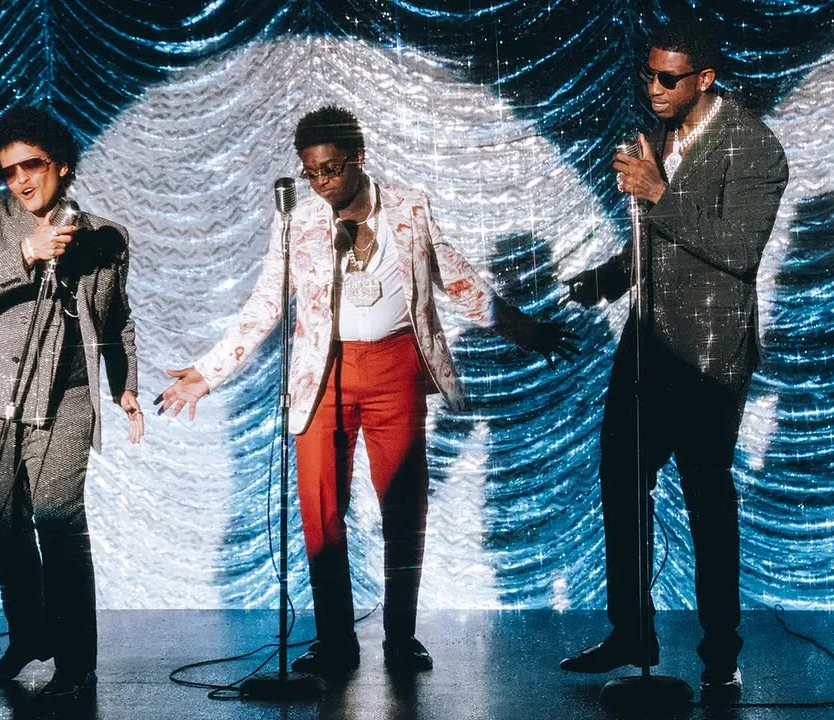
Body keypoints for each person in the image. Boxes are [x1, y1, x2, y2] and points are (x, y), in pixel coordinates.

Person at [156, 106, 575, 677]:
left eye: (330, 169)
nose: (321, 182)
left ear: (357, 158)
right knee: (320, 509)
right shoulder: (297, 222)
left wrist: (523, 328)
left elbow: (456, 277)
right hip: (322, 373)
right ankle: (335, 641)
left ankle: (401, 637)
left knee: (404, 507)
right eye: (310, 172)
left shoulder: (409, 208)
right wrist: (209, 372)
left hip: (394, 368)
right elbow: (266, 301)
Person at [559, 18, 788, 703]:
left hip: (709, 354)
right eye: (648, 75)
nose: (654, 89)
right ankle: (632, 632)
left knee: (706, 498)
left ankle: (721, 656)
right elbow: (655, 237)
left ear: (704, 79)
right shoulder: (663, 134)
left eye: (668, 79)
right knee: (619, 476)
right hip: (648, 347)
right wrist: (606, 280)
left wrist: (660, 192)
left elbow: (738, 249)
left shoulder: (754, 146)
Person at [0, 105, 144, 702]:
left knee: (59, 524)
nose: (20, 181)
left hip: (67, 400)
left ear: (61, 164)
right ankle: (28, 639)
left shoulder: (107, 237)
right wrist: (26, 252)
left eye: (31, 166)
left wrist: (126, 385)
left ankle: (76, 661)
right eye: (9, 172)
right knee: (7, 529)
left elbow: (118, 320)